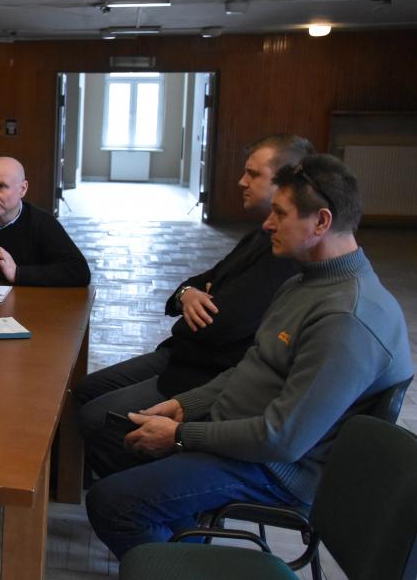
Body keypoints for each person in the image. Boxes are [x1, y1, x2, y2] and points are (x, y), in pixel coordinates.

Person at [84, 154, 413, 559]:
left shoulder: (346, 319)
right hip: (241, 439)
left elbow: (282, 439)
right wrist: (185, 406)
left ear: (321, 222)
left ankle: (184, 562)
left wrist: (182, 435)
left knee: (113, 504)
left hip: (276, 471)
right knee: (116, 443)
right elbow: (251, 367)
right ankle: (188, 547)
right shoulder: (303, 283)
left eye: (280, 213)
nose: (267, 224)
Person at [75, 135, 313, 474]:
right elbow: (195, 285)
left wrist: (202, 300)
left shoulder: (285, 256)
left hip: (202, 370)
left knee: (95, 417)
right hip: (183, 352)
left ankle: (132, 483)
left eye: (253, 174)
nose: (241, 181)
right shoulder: (259, 236)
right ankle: (79, 478)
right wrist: (189, 294)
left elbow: (221, 324)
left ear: (286, 182)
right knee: (83, 391)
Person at [0, 156, 90, 287]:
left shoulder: (43, 223)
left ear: (23, 189)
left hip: (29, 302)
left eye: (1, 186)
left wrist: (18, 273)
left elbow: (79, 272)